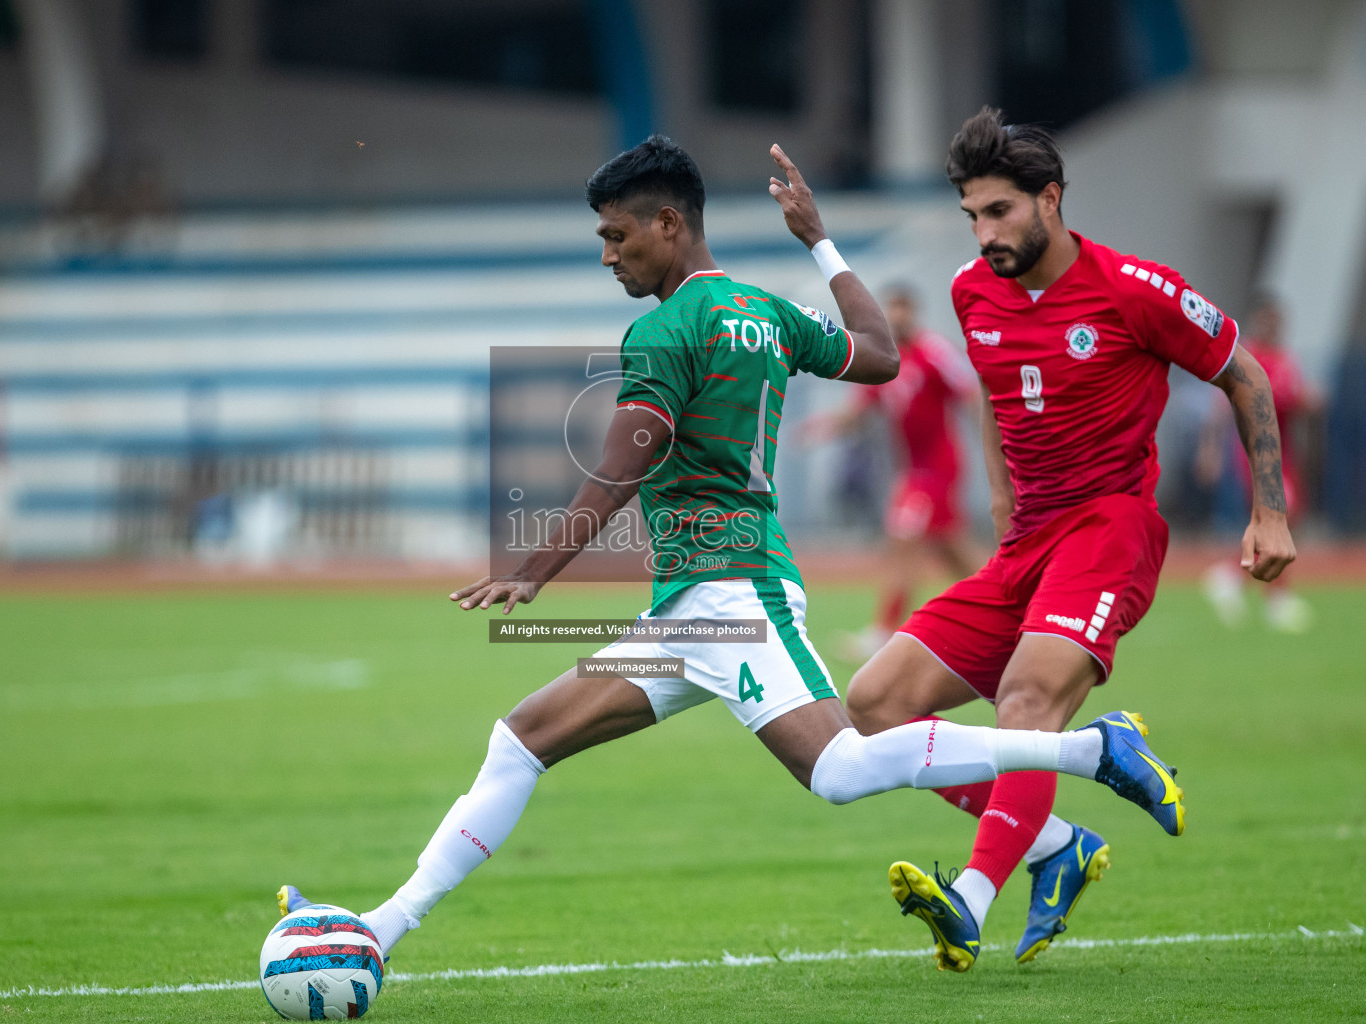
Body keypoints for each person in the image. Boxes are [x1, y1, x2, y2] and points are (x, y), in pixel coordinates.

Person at [277, 136, 1186, 967]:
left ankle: (1089, 751)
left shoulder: (664, 332)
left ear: (667, 224)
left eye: (617, 234)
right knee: (520, 742)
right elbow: (878, 354)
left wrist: (532, 568)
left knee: (837, 772)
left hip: (735, 597)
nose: (608, 254)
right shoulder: (764, 309)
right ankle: (381, 931)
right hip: (686, 608)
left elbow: (620, 466)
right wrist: (820, 244)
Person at [844, 107, 1294, 972]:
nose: (983, 234)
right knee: (873, 706)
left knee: (1027, 698)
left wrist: (1269, 510)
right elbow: (991, 389)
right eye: (972, 215)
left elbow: (1244, 372)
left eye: (1000, 212)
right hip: (1027, 542)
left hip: (1108, 528)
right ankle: (1055, 845)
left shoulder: (1135, 289)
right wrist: (1001, 497)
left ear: (1050, 199)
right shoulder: (973, 294)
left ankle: (970, 901)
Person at [804, 283, 983, 656]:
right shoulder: (888, 359)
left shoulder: (932, 351)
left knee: (902, 542)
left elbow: (969, 393)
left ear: (913, 311)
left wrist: (997, 442)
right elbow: (860, 410)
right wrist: (823, 426)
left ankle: (883, 632)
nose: (897, 315)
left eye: (903, 308)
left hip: (937, 467)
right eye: (892, 308)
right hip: (913, 469)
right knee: (953, 551)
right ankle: (1010, 602)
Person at [1199, 295, 1319, 632]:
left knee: (1286, 520)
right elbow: (1221, 408)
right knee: (1278, 516)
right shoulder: (1246, 357)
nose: (1275, 326)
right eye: (1269, 319)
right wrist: (1209, 451)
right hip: (1259, 455)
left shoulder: (1285, 358)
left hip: (1288, 454)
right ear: (1258, 320)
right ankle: (1266, 595)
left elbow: (1295, 396)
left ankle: (1234, 578)